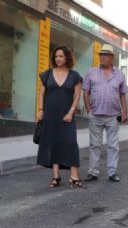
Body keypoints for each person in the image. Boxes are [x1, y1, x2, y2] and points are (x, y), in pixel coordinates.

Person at [37, 45, 83, 188]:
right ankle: (56, 176)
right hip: (50, 115)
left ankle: (74, 176)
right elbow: (41, 94)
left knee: (70, 143)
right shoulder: (48, 74)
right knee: (53, 143)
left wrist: (71, 112)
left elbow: (77, 96)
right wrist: (40, 110)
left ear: (67, 57)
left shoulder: (74, 75)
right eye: (56, 56)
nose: (58, 59)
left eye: (61, 56)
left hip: (66, 115)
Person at [82, 44, 128, 183]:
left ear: (112, 57)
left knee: (113, 146)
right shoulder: (91, 72)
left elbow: (122, 94)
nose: (102, 56)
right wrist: (89, 110)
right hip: (95, 115)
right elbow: (85, 92)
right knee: (94, 145)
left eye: (105, 54)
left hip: (113, 116)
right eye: (101, 54)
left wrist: (124, 112)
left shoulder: (119, 74)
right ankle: (93, 172)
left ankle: (112, 172)